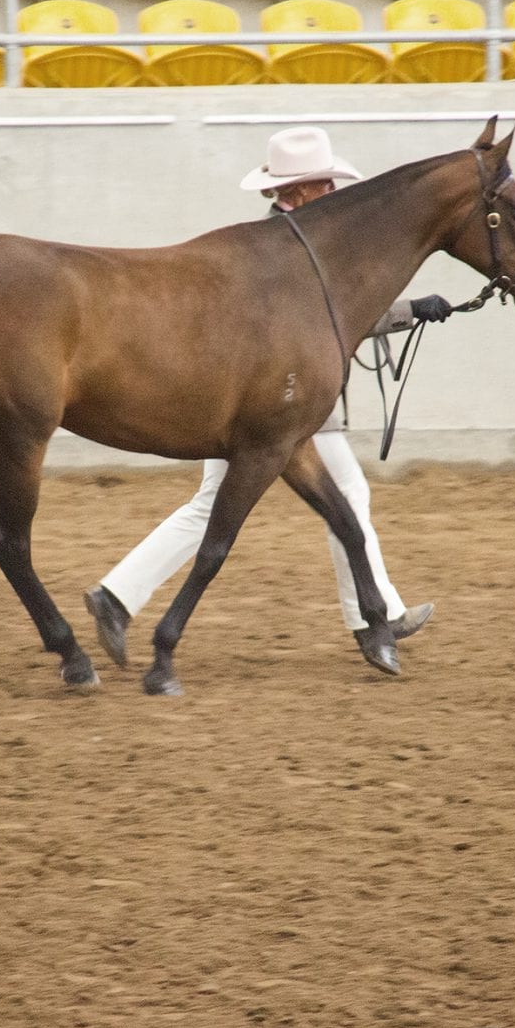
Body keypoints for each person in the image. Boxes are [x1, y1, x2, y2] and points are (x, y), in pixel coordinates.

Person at [83, 126, 455, 667]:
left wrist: (411, 309)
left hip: (263, 395)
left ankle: (115, 597)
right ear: (298, 192)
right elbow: (336, 316)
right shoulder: (287, 249)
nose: (332, 193)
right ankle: (376, 620)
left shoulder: (296, 241)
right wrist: (411, 311)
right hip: (279, 398)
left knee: (219, 502)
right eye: (323, 184)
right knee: (345, 495)